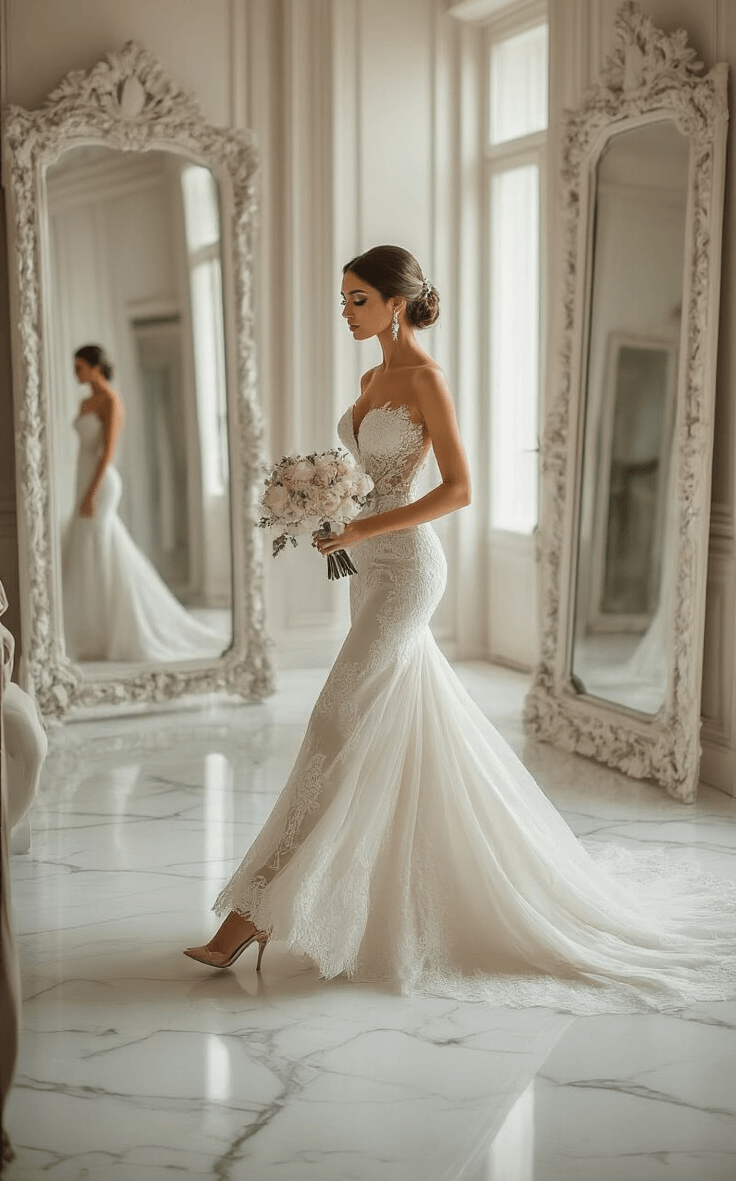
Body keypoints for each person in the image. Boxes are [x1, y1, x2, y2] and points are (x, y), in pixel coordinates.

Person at [184, 247, 736, 1013]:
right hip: (367, 567)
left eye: (357, 299)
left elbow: (459, 489)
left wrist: (363, 525)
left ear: (396, 303)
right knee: (395, 722)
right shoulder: (370, 381)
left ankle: (250, 915)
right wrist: (333, 518)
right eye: (342, 299)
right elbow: (366, 481)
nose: (346, 312)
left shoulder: (424, 379)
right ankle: (354, 897)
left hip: (409, 569)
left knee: (334, 721)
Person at [63, 344, 224, 664]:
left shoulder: (111, 400)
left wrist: (91, 492)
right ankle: (93, 633)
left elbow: (108, 453)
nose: (75, 373)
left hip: (100, 483)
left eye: (79, 367)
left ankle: (120, 630)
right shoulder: (85, 402)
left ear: (96, 367)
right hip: (83, 481)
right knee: (88, 552)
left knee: (102, 550)